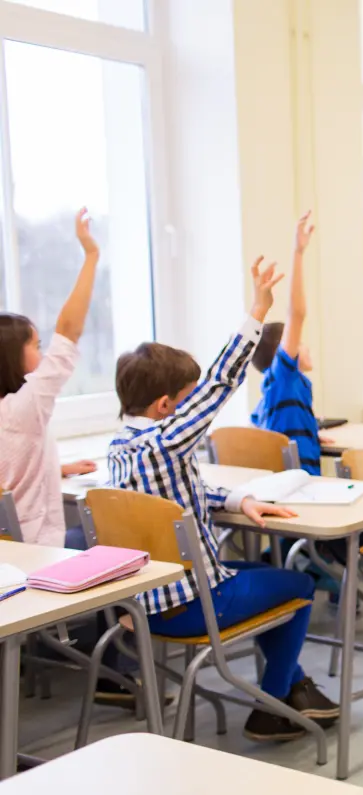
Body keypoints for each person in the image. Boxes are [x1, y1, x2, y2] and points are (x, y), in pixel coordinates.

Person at [109, 254, 338, 742]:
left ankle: (291, 686)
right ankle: (272, 705)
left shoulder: (122, 449)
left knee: (265, 576)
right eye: (188, 400)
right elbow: (220, 383)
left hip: (141, 606)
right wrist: (256, 309)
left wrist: (237, 500)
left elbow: (178, 494)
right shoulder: (166, 440)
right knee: (298, 586)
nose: (197, 406)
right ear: (167, 406)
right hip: (193, 603)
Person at [0, 208, 100, 547]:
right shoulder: (23, 408)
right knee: (108, 534)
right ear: (12, 356)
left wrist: (54, 469)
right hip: (38, 550)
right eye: (35, 345)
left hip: (10, 555)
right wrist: (91, 255)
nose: (42, 355)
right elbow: (68, 332)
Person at [250, 212, 330, 475]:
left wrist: (311, 432)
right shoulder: (284, 380)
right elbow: (296, 314)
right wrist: (298, 252)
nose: (304, 347)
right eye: (300, 344)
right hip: (300, 488)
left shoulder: (274, 395)